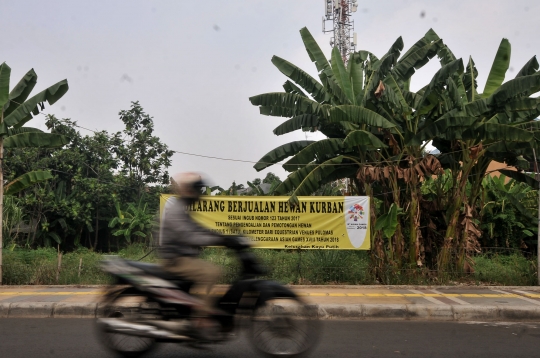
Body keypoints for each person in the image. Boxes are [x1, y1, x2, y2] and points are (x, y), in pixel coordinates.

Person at [159, 172, 228, 314]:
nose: (199, 193)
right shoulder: (176, 208)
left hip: (181, 257)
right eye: (196, 189)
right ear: (188, 190)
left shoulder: (183, 208)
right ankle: (202, 316)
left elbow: (197, 228)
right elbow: (189, 236)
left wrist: (221, 235)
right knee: (212, 272)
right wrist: (219, 239)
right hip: (175, 260)